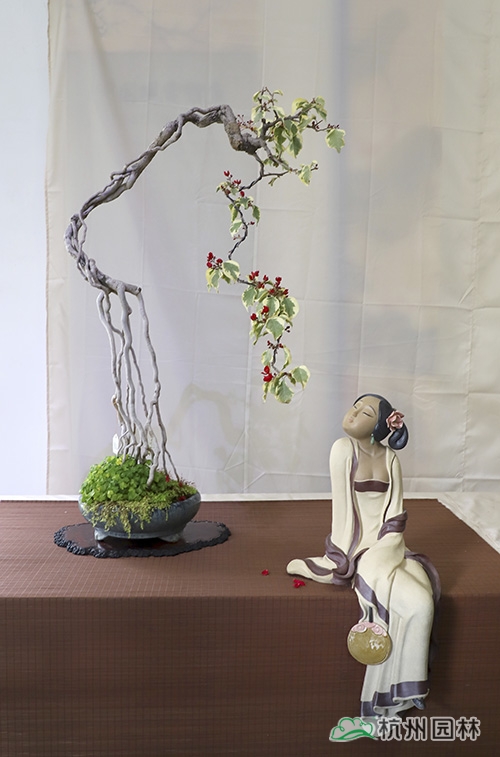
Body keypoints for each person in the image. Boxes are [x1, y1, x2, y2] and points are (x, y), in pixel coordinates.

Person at [287, 394, 440, 719]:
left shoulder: (391, 459)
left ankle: (408, 685)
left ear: (379, 426)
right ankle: (399, 689)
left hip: (389, 546)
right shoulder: (343, 450)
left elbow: (396, 515)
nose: (353, 413)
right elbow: (342, 510)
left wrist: (387, 548)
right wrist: (342, 557)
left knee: (424, 601)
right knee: (414, 602)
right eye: (355, 407)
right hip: (356, 550)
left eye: (365, 412)